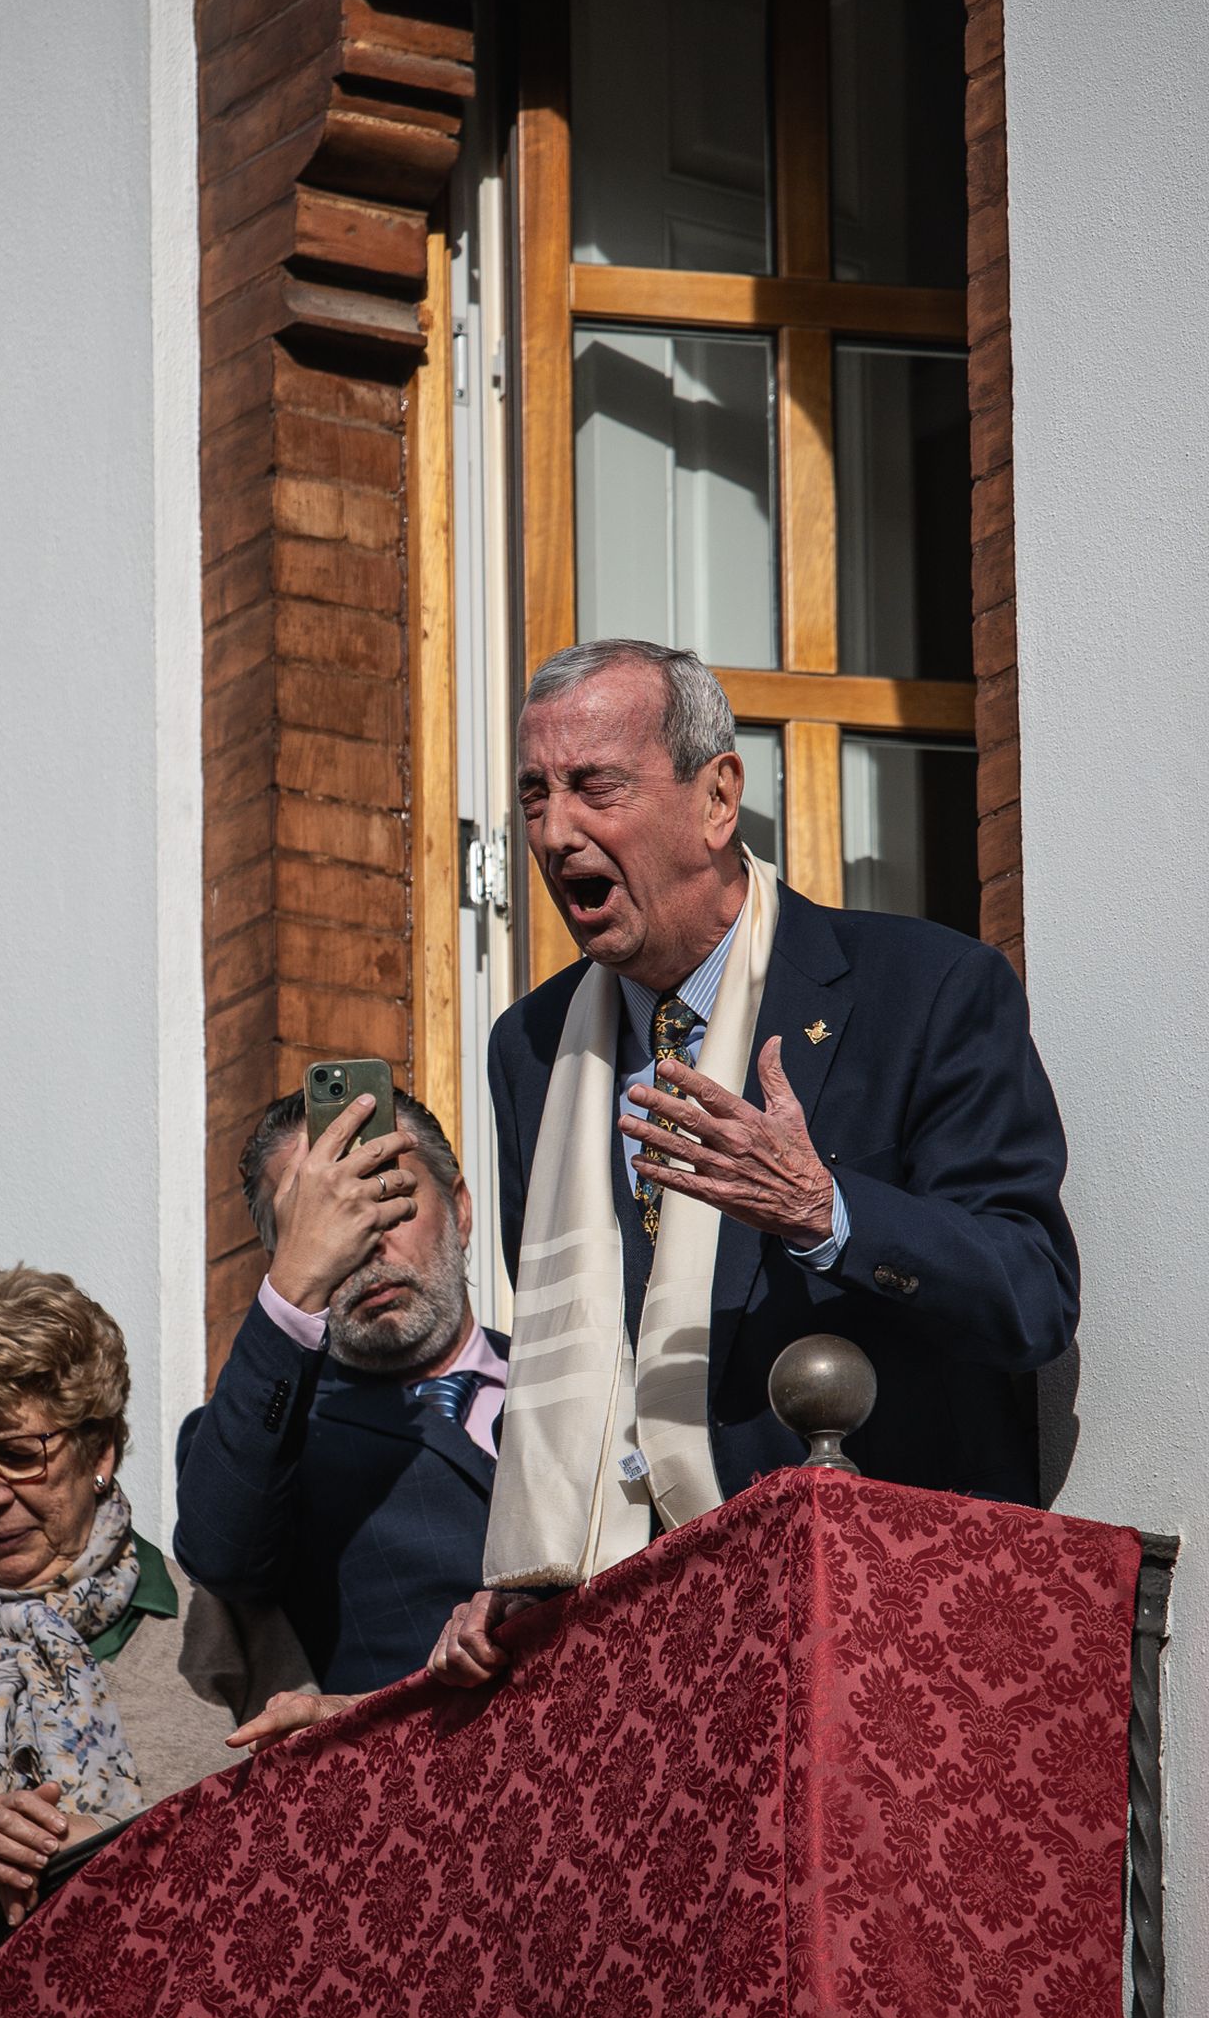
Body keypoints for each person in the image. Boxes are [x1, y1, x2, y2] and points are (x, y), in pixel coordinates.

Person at [430, 639, 1078, 1683]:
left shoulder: (924, 989)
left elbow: (1029, 1298)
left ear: (717, 795)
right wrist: (525, 1574)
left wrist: (827, 1211)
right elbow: (583, 1369)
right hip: (639, 1661)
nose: (554, 833)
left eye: (595, 786)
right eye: (533, 795)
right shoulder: (532, 1047)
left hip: (877, 1631)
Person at [0, 1263, 313, 1961]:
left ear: (99, 1451)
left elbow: (310, 1817)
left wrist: (110, 1850)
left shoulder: (214, 1602)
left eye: (17, 1454)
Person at [174, 1087, 508, 1695]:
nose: (367, 1242)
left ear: (460, 1210)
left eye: (388, 1197)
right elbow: (221, 1554)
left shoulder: (570, 1371)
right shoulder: (268, 1437)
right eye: (326, 1220)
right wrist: (295, 1290)